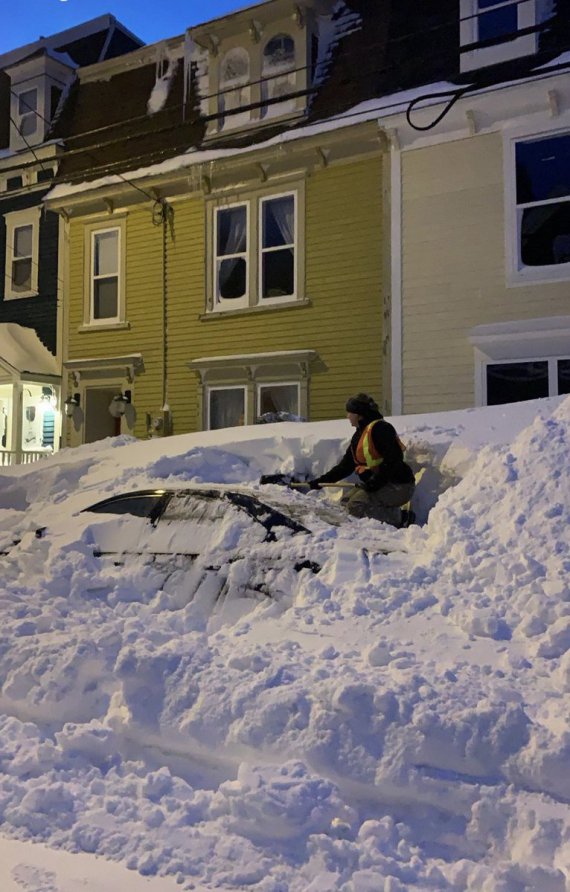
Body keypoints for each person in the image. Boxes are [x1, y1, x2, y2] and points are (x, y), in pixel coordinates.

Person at [308, 393, 415, 527]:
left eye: (349, 413)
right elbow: (345, 466)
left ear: (359, 415)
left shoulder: (381, 429)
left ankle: (400, 519)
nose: (347, 416)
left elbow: (393, 460)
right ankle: (389, 514)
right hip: (380, 485)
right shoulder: (360, 435)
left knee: (355, 507)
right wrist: (321, 481)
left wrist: (374, 483)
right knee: (346, 502)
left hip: (399, 486)